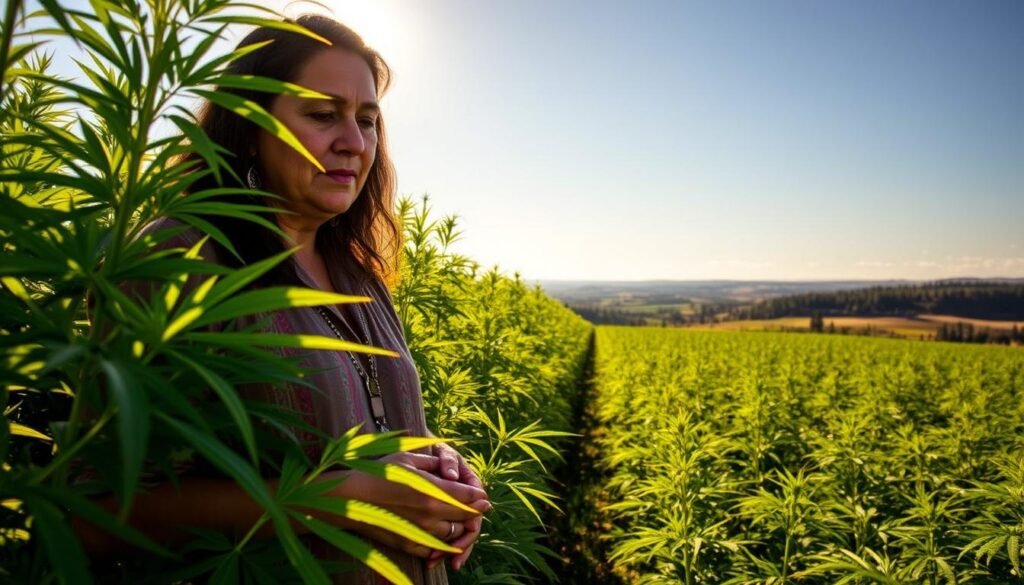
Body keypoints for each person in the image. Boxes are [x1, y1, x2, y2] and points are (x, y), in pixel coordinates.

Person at [77, 14, 489, 584]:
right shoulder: (182, 260)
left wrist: (440, 470)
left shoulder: (357, 274)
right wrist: (338, 498)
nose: (354, 142)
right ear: (249, 127)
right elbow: (95, 511)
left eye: (367, 121)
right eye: (323, 116)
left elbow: (370, 431)